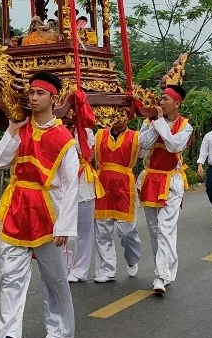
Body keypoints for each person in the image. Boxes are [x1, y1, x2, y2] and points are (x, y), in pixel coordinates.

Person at [0, 71, 79, 338]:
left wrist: (64, 226)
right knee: (10, 276)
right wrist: (12, 130)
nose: (34, 97)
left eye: (40, 93)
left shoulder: (64, 138)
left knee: (55, 276)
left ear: (54, 98)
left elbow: (72, 184)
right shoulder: (20, 127)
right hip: (17, 207)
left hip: (47, 212)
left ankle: (60, 325)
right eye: (31, 93)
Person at [138, 84, 193, 294]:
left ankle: (161, 276)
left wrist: (160, 122)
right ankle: (165, 270)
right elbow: (142, 147)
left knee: (165, 227)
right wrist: (154, 123)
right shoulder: (149, 122)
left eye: (166, 99)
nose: (161, 102)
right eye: (160, 99)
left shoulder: (186, 126)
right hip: (151, 178)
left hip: (171, 181)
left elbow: (173, 145)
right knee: (154, 230)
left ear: (177, 103)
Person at [92, 111, 143, 283]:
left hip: (124, 186)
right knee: (102, 231)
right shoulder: (99, 134)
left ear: (128, 116)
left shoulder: (136, 137)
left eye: (122, 114)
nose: (118, 117)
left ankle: (132, 258)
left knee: (127, 230)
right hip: (103, 185)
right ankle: (108, 270)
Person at [66, 124, 102, 283]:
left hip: (82, 181)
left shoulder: (85, 131)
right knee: (59, 227)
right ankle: (64, 264)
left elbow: (89, 154)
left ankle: (80, 269)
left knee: (84, 230)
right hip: (60, 181)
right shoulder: (54, 127)